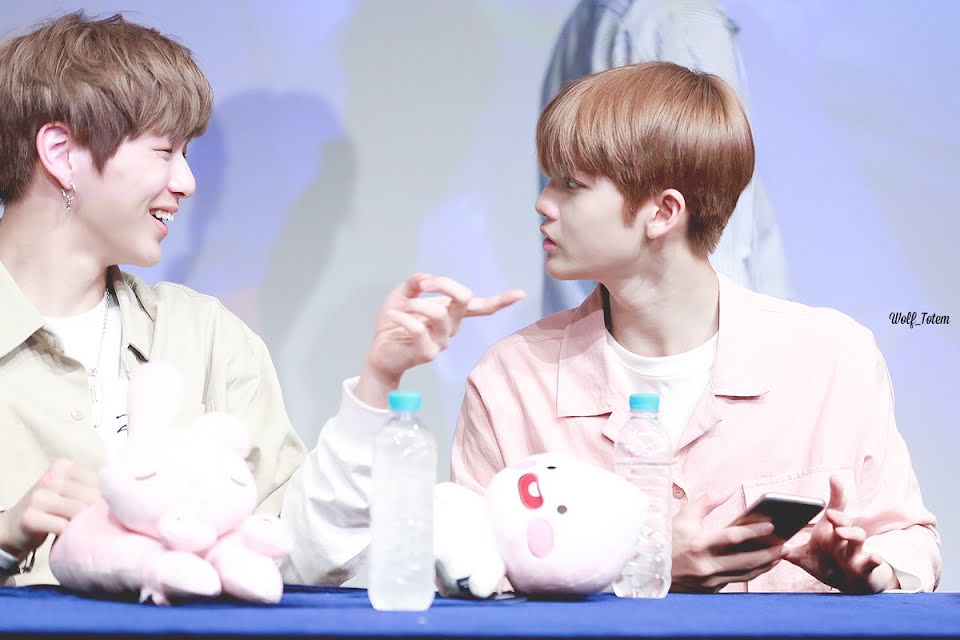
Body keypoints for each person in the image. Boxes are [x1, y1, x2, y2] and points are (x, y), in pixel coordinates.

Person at [0, 12, 523, 587]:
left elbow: (293, 556)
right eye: (164, 150)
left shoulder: (207, 336)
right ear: (61, 152)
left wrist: (379, 377)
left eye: (186, 154)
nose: (186, 182)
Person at [451, 61, 940, 593]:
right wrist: (641, 569)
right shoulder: (511, 380)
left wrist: (873, 572)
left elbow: (908, 539)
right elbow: (475, 580)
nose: (543, 202)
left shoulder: (833, 358)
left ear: (663, 212)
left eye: (572, 184)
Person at [540, 0, 789, 316]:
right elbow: (710, 242)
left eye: (571, 184)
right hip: (692, 332)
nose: (543, 202)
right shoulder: (672, 22)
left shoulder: (595, 18)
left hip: (611, 329)